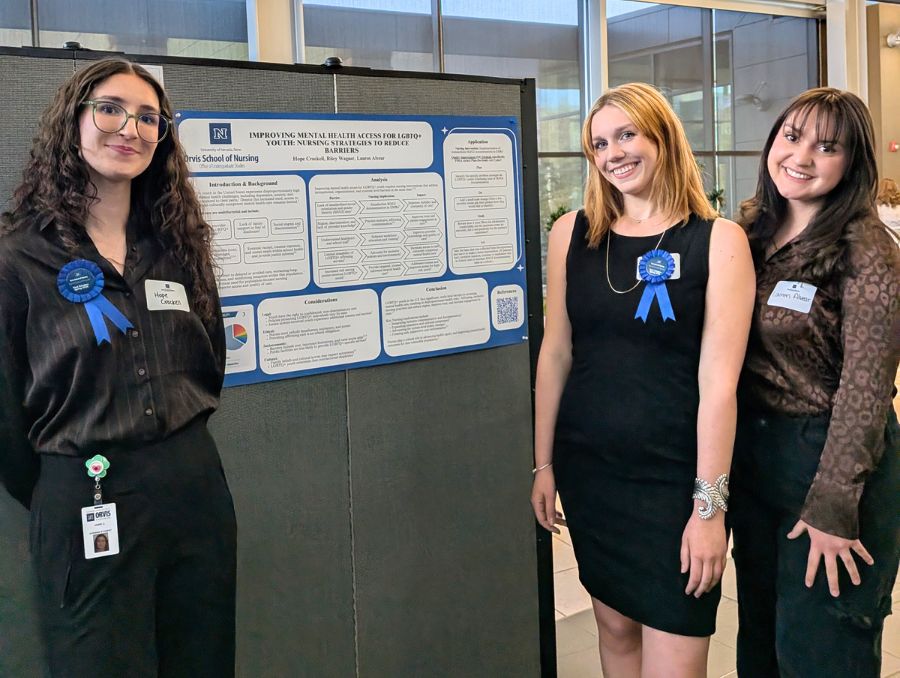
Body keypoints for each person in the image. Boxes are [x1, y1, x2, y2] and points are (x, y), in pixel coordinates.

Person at [0, 58, 236, 677]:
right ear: (73, 122)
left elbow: (209, 359)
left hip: (191, 490)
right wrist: (67, 479)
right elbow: (5, 413)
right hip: (85, 493)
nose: (129, 128)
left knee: (202, 660)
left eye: (148, 118)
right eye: (110, 109)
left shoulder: (177, 245)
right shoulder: (18, 257)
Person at [531, 82, 755, 677]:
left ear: (662, 137)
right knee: (615, 633)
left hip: (674, 482)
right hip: (591, 473)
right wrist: (543, 464)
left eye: (627, 134)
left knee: (676, 648)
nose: (614, 153)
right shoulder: (572, 234)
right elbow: (556, 354)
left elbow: (720, 385)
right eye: (600, 143)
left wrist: (709, 509)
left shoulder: (718, 241)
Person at [733, 87, 900, 677]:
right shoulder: (751, 234)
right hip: (756, 462)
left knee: (822, 652)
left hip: (831, 462)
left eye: (827, 147)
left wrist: (833, 506)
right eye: (792, 136)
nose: (801, 156)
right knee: (761, 645)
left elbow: (867, 389)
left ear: (852, 163)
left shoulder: (868, 249)